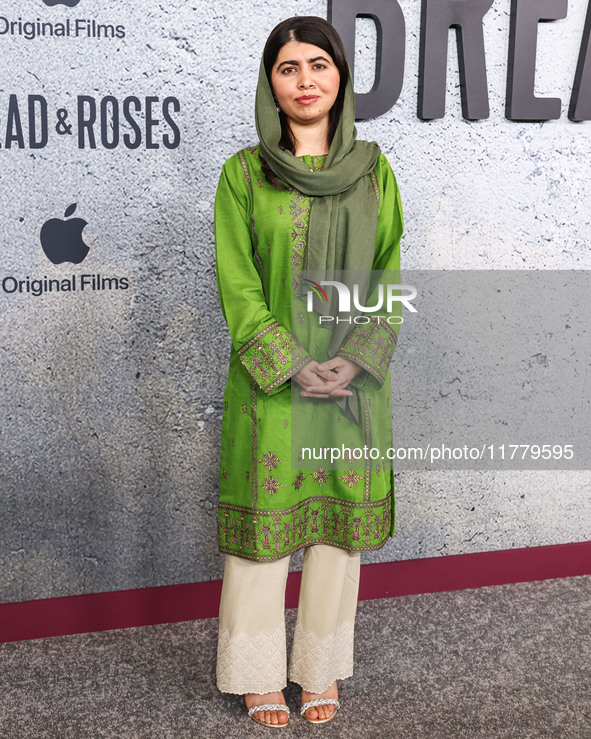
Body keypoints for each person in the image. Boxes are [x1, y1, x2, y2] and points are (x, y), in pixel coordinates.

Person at [213, 15, 403, 728]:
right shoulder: (242, 174)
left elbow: (386, 268)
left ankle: (318, 669)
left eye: (318, 65)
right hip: (271, 382)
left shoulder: (374, 168)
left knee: (335, 533)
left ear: (340, 78)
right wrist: (290, 364)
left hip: (352, 380)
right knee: (263, 532)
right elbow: (236, 282)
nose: (304, 81)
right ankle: (255, 671)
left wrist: (355, 357)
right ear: (270, 81)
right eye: (288, 68)